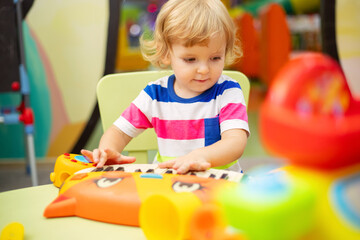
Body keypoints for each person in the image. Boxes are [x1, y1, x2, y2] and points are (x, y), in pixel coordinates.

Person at [81, 0, 249, 174]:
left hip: (220, 188)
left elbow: (235, 142)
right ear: (167, 54)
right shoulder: (155, 94)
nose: (204, 69)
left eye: (215, 58)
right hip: (168, 186)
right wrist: (108, 151)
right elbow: (119, 132)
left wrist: (201, 156)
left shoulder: (228, 91)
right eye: (190, 59)